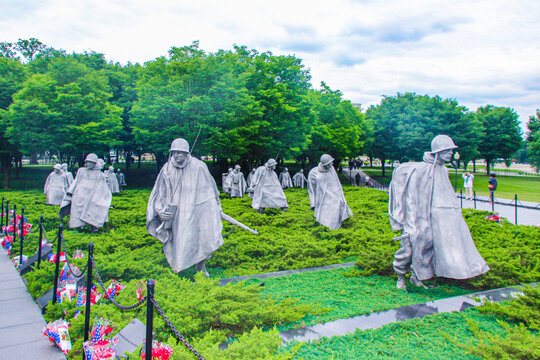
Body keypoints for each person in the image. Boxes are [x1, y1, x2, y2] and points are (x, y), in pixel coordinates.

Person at [388, 135, 489, 290]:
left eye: (451, 150)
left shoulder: (443, 170)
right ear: (438, 151)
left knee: (427, 250)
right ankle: (401, 278)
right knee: (408, 249)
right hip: (415, 218)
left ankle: (417, 277)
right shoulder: (420, 170)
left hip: (434, 219)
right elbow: (409, 197)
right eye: (447, 150)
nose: (450, 153)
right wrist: (407, 220)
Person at [146, 138, 223, 277]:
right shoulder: (167, 168)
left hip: (196, 209)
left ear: (187, 153)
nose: (177, 155)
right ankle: (177, 266)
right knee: (178, 239)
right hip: (176, 212)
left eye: (180, 153)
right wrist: (160, 210)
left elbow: (211, 189)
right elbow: (159, 192)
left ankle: (200, 266)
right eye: (174, 152)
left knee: (200, 237)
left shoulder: (199, 166)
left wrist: (216, 206)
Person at [59, 153, 112, 230]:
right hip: (80, 195)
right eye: (88, 162)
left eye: (91, 162)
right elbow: (76, 181)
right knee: (77, 211)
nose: (89, 164)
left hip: (92, 196)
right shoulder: (81, 171)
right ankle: (78, 227)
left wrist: (102, 197)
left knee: (93, 210)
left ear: (95, 163)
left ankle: (93, 227)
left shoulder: (100, 174)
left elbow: (102, 187)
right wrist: (70, 192)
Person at [307, 154, 353, 230]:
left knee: (335, 217)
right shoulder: (313, 173)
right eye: (329, 163)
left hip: (335, 198)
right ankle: (326, 232)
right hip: (323, 199)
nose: (332, 164)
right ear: (325, 164)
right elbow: (311, 189)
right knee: (324, 218)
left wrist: (344, 202)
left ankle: (334, 232)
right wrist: (313, 204)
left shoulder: (332, 169)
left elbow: (338, 185)